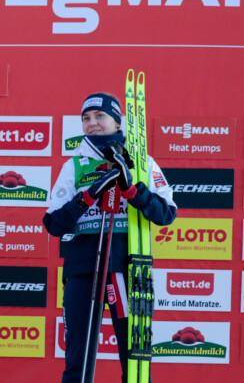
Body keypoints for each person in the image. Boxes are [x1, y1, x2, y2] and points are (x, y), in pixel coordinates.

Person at [43, 92, 176, 383]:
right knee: (78, 360)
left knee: (135, 361)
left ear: (117, 121)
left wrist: (133, 191)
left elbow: (166, 214)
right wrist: (87, 198)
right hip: (83, 271)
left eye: (100, 116)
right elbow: (53, 224)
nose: (92, 124)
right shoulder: (74, 165)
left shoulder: (143, 163)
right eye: (86, 118)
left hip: (129, 268)